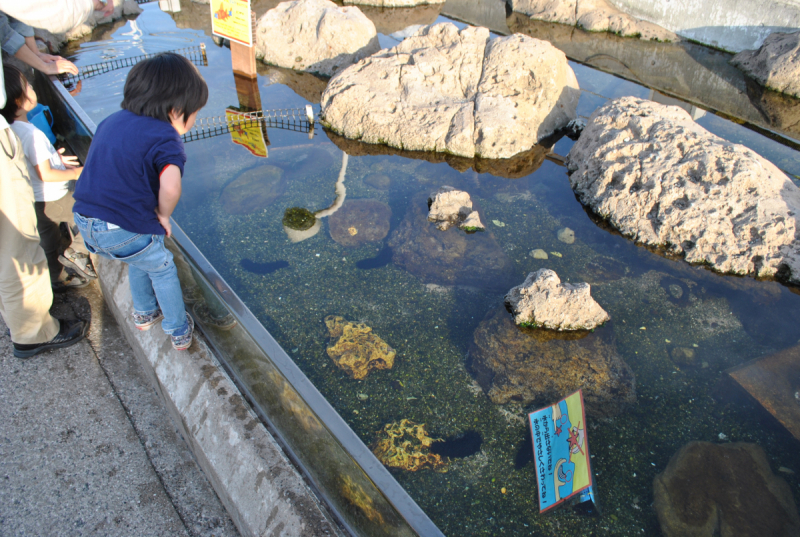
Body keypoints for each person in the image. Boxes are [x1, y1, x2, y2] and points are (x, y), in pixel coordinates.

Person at [73, 53, 208, 351]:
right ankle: (178, 329)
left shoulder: (112, 121)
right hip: (119, 230)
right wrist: (162, 214)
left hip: (85, 221)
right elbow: (171, 187)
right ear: (176, 110)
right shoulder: (166, 137)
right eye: (195, 113)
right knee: (161, 266)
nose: (195, 120)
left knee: (141, 252)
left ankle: (144, 313)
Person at [0, 0, 108, 359]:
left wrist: (44, 61)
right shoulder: (24, 132)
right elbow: (45, 171)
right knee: (30, 238)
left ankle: (45, 291)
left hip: (38, 192)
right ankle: (34, 330)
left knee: (35, 241)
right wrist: (83, 170)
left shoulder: (21, 128)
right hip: (52, 193)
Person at [1, 62, 97, 292]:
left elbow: (31, 163)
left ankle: (54, 280)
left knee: (48, 243)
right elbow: (45, 173)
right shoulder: (32, 134)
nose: (33, 88)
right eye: (29, 87)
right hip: (55, 196)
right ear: (20, 101)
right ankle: (76, 252)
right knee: (94, 211)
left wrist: (56, 159)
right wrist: (76, 171)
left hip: (34, 199)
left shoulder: (10, 130)